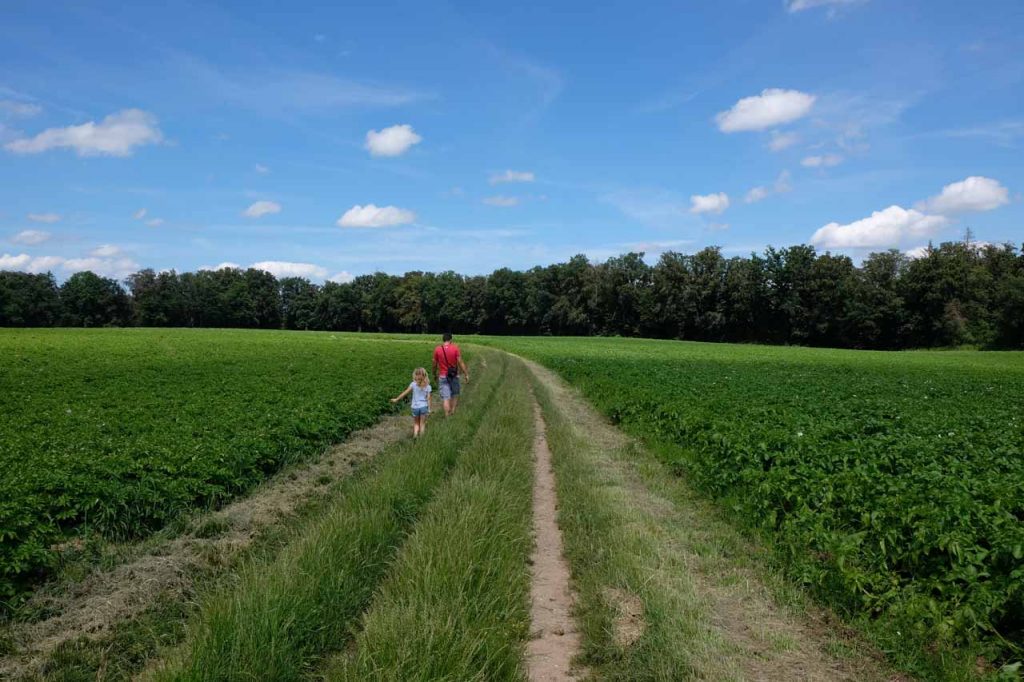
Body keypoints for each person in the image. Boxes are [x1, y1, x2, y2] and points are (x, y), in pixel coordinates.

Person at [432, 332, 469, 416]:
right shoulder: (455, 348)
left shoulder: (437, 349)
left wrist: (434, 374)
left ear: (443, 339)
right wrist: (466, 374)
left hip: (442, 376)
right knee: (455, 394)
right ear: (451, 339)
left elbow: (434, 364)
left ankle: (446, 415)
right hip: (453, 375)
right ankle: (452, 411)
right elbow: (460, 362)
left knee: (446, 397)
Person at [390, 367, 432, 438]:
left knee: (416, 423)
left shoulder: (413, 384)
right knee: (422, 424)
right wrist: (429, 408)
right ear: (425, 375)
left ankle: (415, 436)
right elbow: (429, 398)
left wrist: (396, 399)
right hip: (423, 407)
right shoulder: (428, 386)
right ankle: (421, 438)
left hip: (415, 407)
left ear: (415, 375)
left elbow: (405, 393)